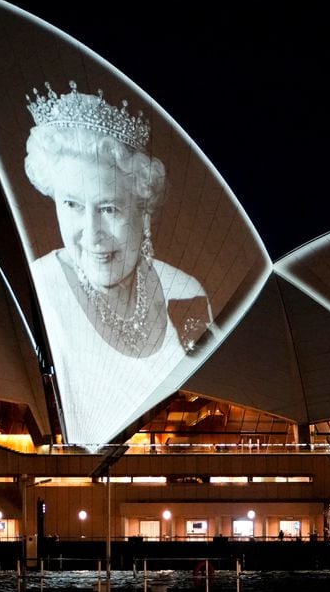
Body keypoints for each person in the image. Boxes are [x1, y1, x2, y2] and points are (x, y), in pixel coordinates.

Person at [24, 81, 216, 444]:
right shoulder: (36, 291)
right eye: (72, 205)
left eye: (109, 208)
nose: (91, 232)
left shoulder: (186, 292)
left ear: (143, 210)